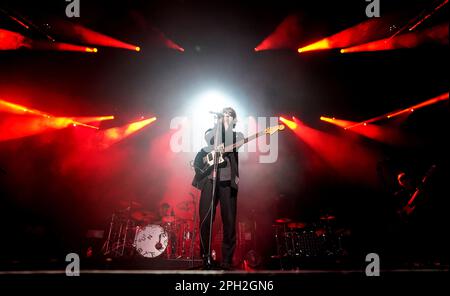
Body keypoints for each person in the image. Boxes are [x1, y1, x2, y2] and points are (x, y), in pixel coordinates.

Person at [192, 107, 244, 269]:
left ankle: (227, 260)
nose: (226, 117)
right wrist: (219, 124)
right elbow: (211, 140)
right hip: (210, 180)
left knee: (229, 222)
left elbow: (234, 145)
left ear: (234, 120)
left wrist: (227, 127)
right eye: (224, 115)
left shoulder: (238, 136)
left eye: (230, 115)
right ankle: (206, 256)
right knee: (205, 219)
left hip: (228, 182)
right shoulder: (211, 131)